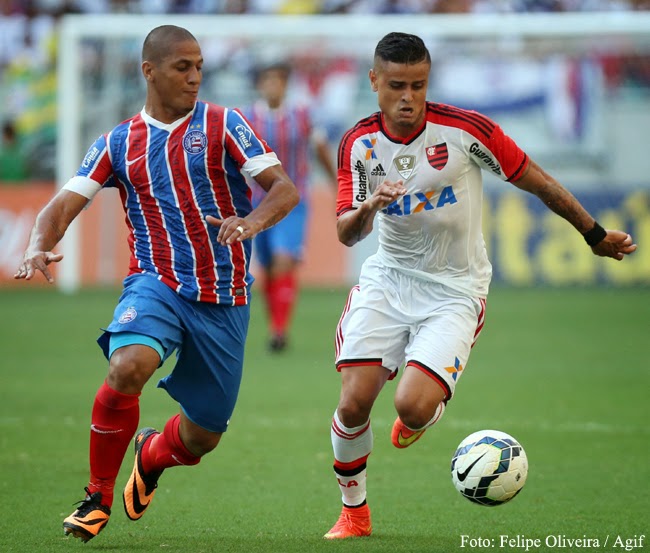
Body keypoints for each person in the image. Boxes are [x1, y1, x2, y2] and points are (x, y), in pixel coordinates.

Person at [323, 32, 637, 540]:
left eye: (419, 86)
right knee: (353, 403)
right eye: (397, 85)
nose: (408, 97)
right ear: (374, 81)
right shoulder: (359, 144)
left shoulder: (466, 131)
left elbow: (537, 180)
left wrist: (594, 234)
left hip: (454, 288)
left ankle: (422, 412)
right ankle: (354, 512)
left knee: (412, 406)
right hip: (389, 280)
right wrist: (370, 205)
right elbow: (346, 231)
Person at [14, 25, 299, 543]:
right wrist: (37, 244)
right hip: (156, 282)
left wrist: (252, 221)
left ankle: (152, 453)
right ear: (149, 71)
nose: (194, 78)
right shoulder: (117, 142)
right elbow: (62, 205)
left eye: (198, 67)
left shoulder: (226, 124)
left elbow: (283, 189)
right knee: (128, 366)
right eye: (181, 67)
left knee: (203, 435)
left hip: (224, 295)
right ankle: (97, 497)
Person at [242, 61, 337, 351]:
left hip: (294, 201)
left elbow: (320, 147)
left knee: (285, 260)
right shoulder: (246, 118)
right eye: (268, 80)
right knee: (269, 267)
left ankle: (279, 331)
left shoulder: (302, 115)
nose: (273, 86)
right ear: (260, 85)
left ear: (286, 84)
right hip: (258, 203)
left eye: (279, 80)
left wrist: (337, 183)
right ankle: (276, 324)